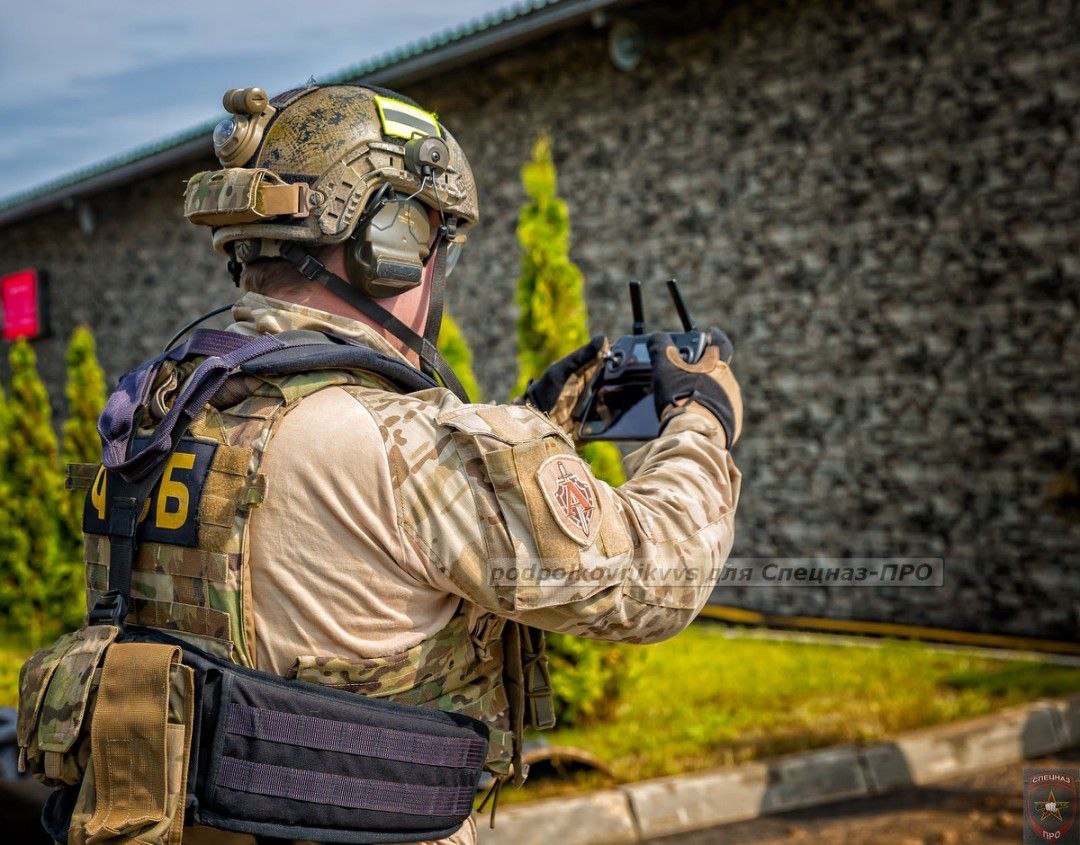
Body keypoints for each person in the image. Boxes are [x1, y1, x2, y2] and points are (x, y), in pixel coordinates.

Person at [103, 83, 743, 845]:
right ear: (390, 240)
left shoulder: (161, 409)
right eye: (439, 243)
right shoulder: (400, 441)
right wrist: (702, 415)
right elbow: (656, 577)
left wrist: (537, 427)